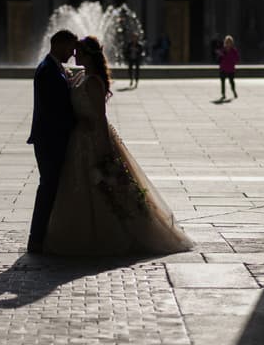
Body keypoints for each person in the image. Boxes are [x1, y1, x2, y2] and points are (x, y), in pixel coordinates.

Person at [43, 36, 193, 256]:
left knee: (102, 187)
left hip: (91, 139)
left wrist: (104, 152)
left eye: (79, 53)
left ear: (89, 56)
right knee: (80, 188)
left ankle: (112, 233)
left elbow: (99, 118)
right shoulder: (81, 77)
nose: (75, 56)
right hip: (78, 140)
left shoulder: (94, 82)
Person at [26, 29, 78, 254]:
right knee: (48, 187)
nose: (73, 53)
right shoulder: (48, 70)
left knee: (51, 187)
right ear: (59, 45)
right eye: (71, 48)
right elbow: (55, 109)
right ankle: (36, 238)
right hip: (50, 139)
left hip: (51, 137)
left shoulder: (52, 68)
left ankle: (44, 236)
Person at [217, 35, 240, 100]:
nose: (228, 43)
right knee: (222, 82)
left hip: (230, 68)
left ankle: (233, 91)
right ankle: (223, 94)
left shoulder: (234, 50)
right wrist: (220, 55)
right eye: (227, 42)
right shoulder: (222, 50)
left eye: (229, 42)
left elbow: (237, 59)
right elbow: (219, 59)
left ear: (232, 43)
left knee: (231, 81)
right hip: (223, 68)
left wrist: (233, 61)